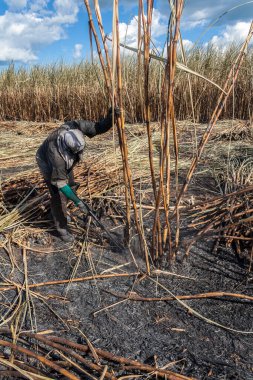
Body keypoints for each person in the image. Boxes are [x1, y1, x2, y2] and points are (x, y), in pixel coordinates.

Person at [36, 107, 120, 243]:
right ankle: (61, 228)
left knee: (71, 186)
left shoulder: (76, 126)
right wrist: (78, 202)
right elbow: (60, 183)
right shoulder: (57, 157)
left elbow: (98, 127)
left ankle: (60, 212)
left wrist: (111, 118)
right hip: (46, 161)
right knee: (59, 195)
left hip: (64, 160)